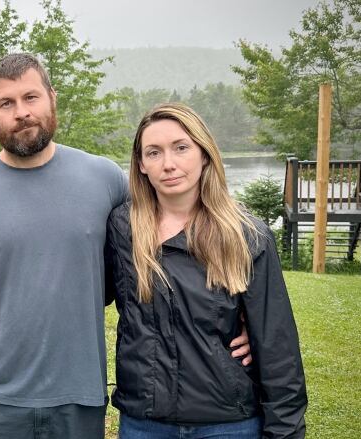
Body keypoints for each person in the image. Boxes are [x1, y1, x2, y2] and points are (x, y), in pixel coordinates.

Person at [0, 55, 252, 438]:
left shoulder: (105, 180)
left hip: (78, 401)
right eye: (6, 103)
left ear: (52, 98)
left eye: (31, 97)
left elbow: (175, 232)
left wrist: (237, 315)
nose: (21, 112)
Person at [106, 103, 307, 438]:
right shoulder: (122, 228)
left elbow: (276, 345)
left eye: (181, 148)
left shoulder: (247, 235)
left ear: (204, 153)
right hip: (144, 422)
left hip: (229, 423)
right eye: (153, 153)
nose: (168, 164)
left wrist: (285, 431)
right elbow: (86, 288)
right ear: (141, 164)